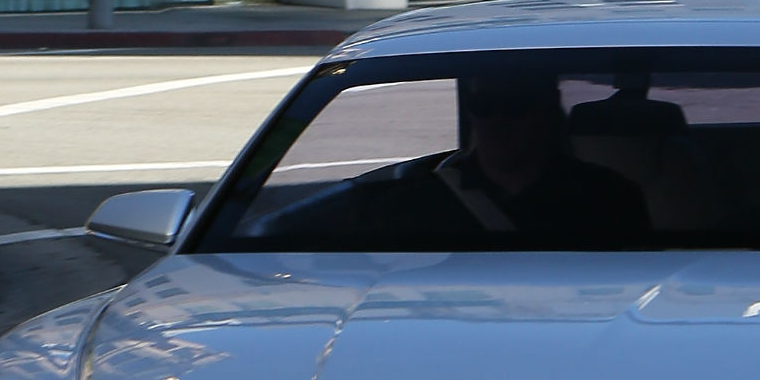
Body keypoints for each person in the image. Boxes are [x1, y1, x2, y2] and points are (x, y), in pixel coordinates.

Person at [260, 67, 649, 247]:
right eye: (486, 104)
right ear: (471, 114)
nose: (499, 119)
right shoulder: (410, 202)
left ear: (549, 114)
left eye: (516, 106)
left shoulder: (608, 200)